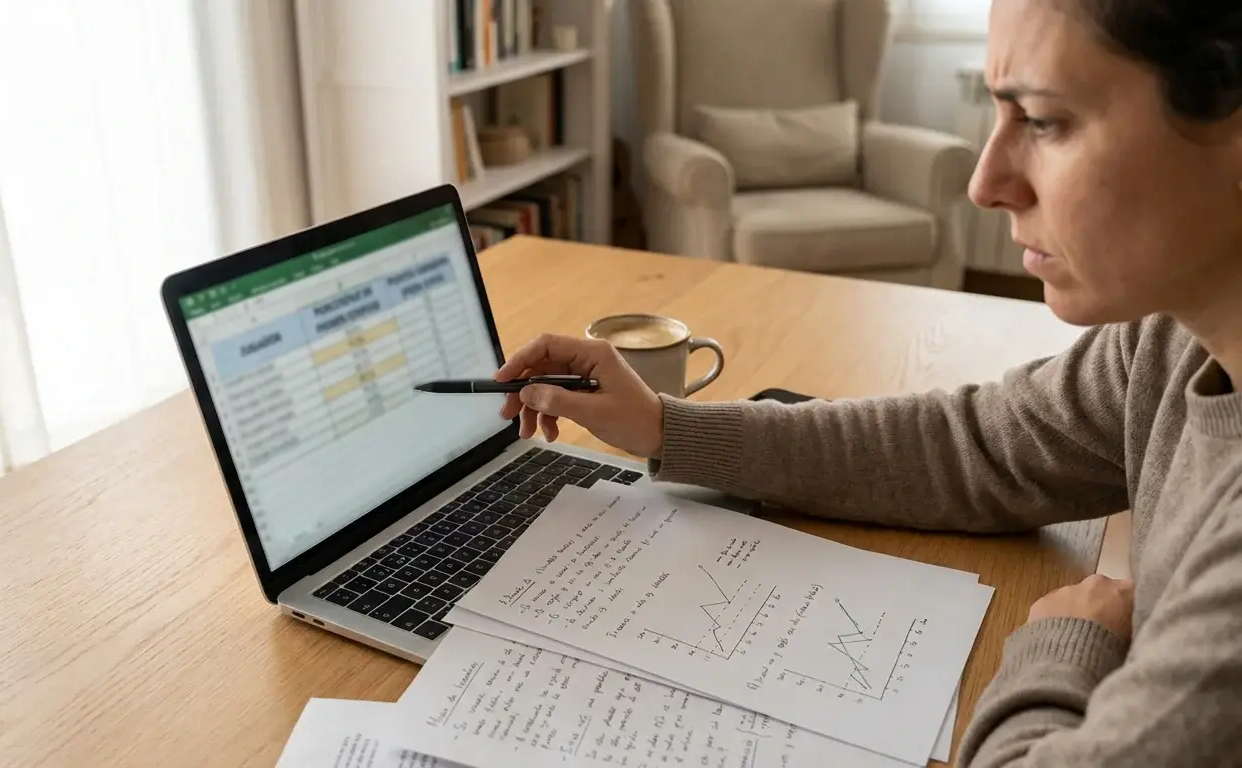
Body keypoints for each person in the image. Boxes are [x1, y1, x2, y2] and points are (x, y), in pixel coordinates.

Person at [492, 0, 1242, 765]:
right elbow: (975, 447)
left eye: (1044, 121)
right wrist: (666, 426)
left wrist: (1065, 640)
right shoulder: (1171, 338)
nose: (985, 183)